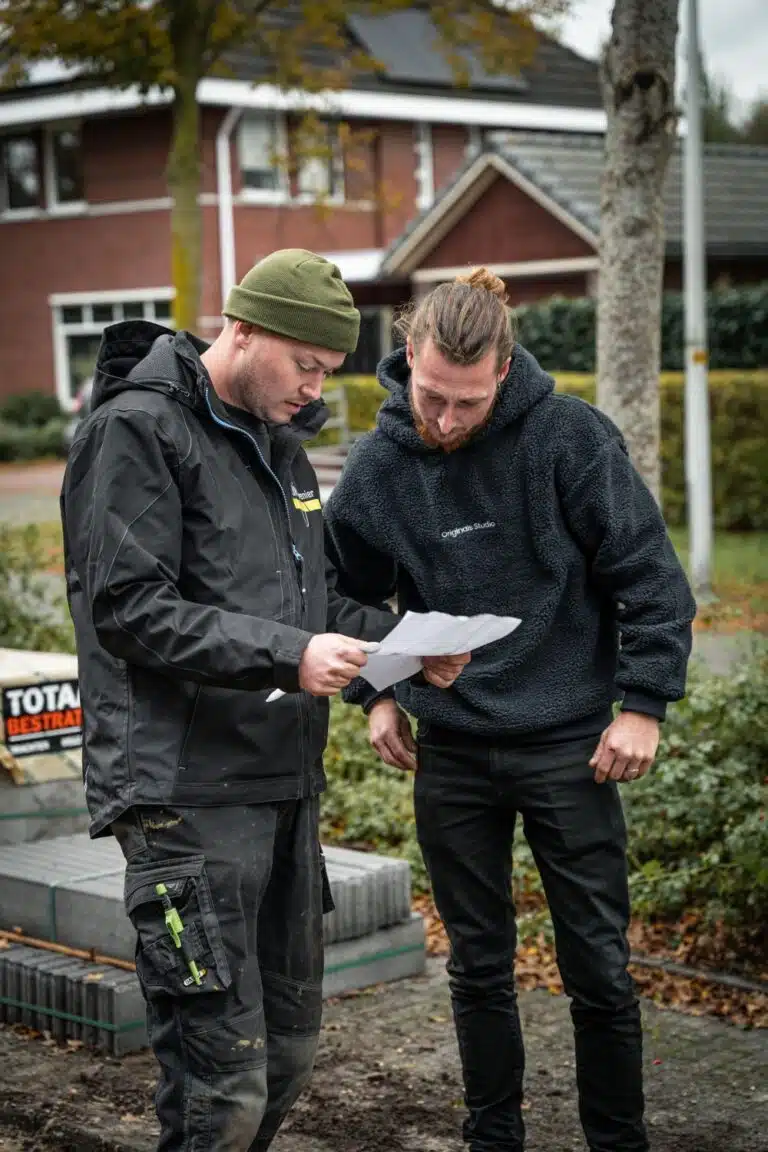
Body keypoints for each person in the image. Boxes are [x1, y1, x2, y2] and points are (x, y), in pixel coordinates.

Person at [60, 249, 468, 1152]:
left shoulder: (285, 453)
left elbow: (314, 607)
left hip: (283, 790)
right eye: (307, 366)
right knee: (222, 1085)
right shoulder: (136, 431)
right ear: (241, 331)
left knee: (287, 1057)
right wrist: (293, 652)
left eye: (329, 371)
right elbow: (127, 608)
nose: (315, 390)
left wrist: (402, 651)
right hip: (182, 798)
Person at [324, 268, 697, 1152]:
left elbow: (650, 579)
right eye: (431, 398)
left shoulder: (568, 439)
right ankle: (495, 1135)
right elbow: (343, 593)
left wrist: (641, 704)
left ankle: (618, 1140)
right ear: (407, 356)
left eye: (467, 403)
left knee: (600, 968)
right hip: (452, 750)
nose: (446, 421)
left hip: (570, 744)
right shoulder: (379, 467)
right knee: (477, 968)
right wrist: (377, 690)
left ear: (503, 370)